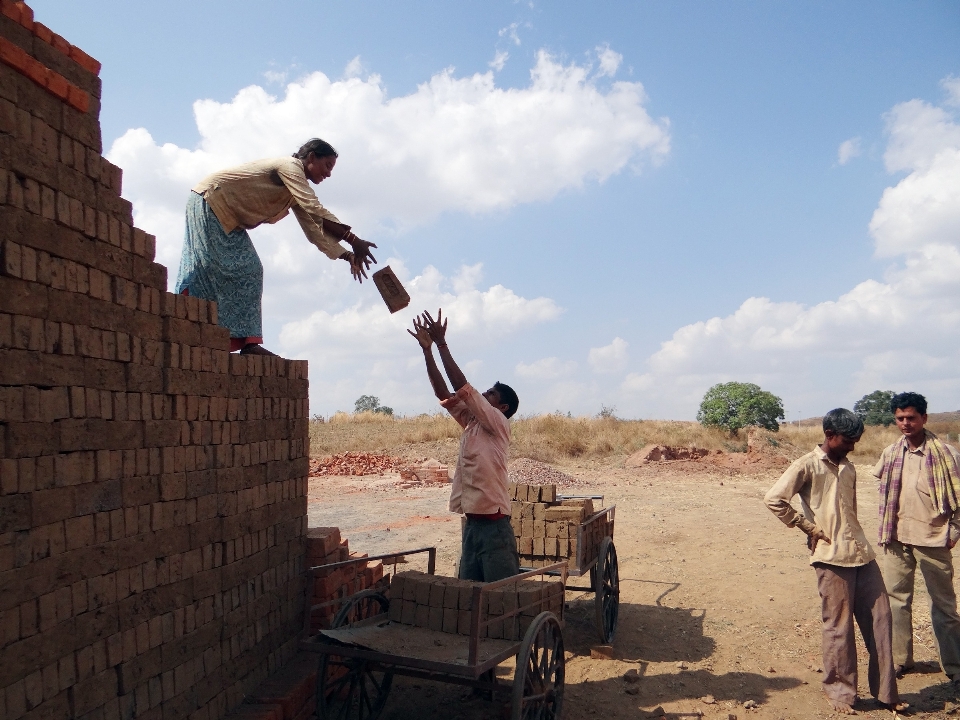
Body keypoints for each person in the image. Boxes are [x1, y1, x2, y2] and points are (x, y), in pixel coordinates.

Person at [175, 138, 378, 356]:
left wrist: (348, 256)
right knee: (207, 267)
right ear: (311, 158)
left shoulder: (295, 189)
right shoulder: (289, 167)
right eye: (327, 165)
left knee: (251, 269)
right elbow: (314, 207)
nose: (328, 174)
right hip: (210, 201)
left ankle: (247, 343)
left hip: (230, 218)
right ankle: (184, 322)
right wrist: (353, 239)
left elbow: (314, 227)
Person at [764, 409, 900, 715]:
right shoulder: (807, 465)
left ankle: (886, 692)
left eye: (856, 440)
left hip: (862, 555)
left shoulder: (849, 467)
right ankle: (841, 694)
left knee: (881, 620)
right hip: (831, 557)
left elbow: (848, 513)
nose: (853, 446)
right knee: (838, 629)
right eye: (848, 440)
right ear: (829, 436)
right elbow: (774, 499)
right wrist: (808, 528)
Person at [407, 309, 520, 582]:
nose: (484, 393)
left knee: (500, 595)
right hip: (472, 524)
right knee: (468, 592)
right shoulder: (472, 422)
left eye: (491, 393)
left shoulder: (497, 423)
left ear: (502, 407)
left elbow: (462, 386)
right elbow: (444, 393)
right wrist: (427, 351)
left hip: (494, 526)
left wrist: (443, 344)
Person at [874, 391, 960, 683]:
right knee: (896, 601)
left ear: (924, 417)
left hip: (934, 539)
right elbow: (883, 490)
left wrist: (955, 531)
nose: (905, 423)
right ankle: (901, 660)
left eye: (911, 417)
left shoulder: (947, 455)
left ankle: (955, 668)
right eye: (900, 418)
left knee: (944, 607)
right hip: (897, 539)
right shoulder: (890, 453)